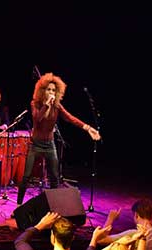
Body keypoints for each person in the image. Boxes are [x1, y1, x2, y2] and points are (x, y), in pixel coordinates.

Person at [15, 72, 101, 207]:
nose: (51, 92)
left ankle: (53, 207)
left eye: (54, 90)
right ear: (42, 90)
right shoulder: (35, 104)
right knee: (26, 176)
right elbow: (37, 118)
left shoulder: (57, 106)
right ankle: (18, 206)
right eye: (48, 89)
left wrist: (88, 128)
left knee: (55, 177)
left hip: (50, 145)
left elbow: (70, 118)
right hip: (35, 145)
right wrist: (46, 105)